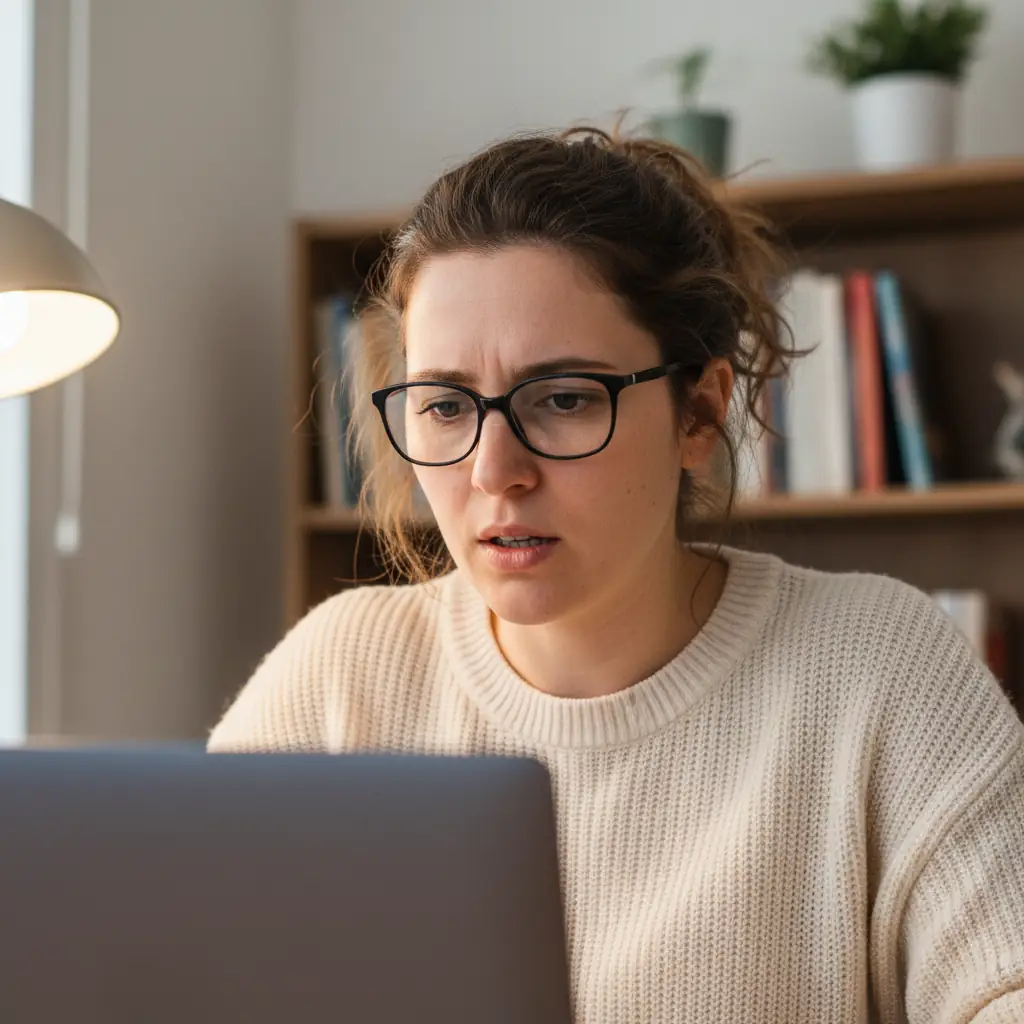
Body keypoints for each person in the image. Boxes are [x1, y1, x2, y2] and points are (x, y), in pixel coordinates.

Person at [208, 125, 1024, 1023]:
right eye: (445, 405)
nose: (493, 470)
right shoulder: (339, 680)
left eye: (562, 398)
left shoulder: (880, 668)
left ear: (700, 415)